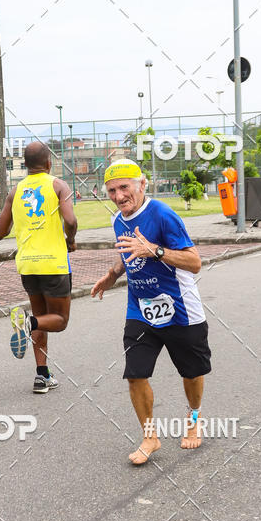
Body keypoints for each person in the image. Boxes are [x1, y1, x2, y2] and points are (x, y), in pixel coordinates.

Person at [90, 159, 211, 465]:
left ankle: (193, 416)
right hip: (141, 311)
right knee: (135, 374)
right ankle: (150, 436)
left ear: (142, 184)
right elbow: (127, 252)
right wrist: (112, 274)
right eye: (112, 190)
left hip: (181, 309)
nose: (118, 196)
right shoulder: (119, 219)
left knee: (191, 373)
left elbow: (194, 262)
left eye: (124, 188)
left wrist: (154, 250)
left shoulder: (163, 215)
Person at [0, 141, 77, 393]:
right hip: (53, 262)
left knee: (42, 318)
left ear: (26, 165)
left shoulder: (15, 191)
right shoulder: (58, 185)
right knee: (59, 320)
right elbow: (71, 221)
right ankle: (26, 323)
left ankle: (42, 376)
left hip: (27, 265)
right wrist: (70, 240)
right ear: (49, 163)